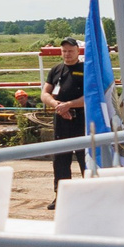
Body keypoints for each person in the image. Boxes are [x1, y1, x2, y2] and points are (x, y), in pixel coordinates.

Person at [41, 39, 88, 184]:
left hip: (81, 119)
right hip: (61, 119)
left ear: (78, 52)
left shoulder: (86, 69)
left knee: (84, 157)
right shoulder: (56, 70)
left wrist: (69, 105)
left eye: (70, 51)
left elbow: (91, 96)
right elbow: (44, 94)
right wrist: (58, 106)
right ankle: (61, 194)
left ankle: (92, 192)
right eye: (64, 51)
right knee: (61, 158)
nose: (67, 54)